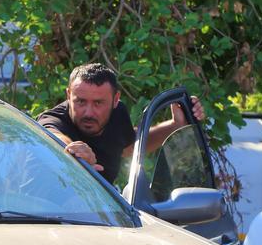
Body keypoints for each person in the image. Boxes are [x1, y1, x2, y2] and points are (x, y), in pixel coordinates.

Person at [37, 63, 205, 185]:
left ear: (115, 100)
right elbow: (50, 135)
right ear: (68, 95)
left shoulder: (118, 114)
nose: (88, 112)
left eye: (98, 103)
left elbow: (130, 147)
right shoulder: (53, 119)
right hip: (44, 216)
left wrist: (176, 125)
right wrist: (74, 149)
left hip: (97, 215)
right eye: (80, 101)